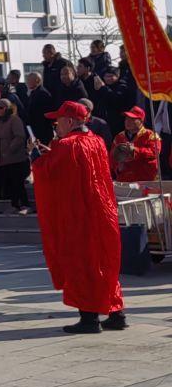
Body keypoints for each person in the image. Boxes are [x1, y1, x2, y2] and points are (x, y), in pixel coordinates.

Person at [31, 101, 126, 333]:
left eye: (59, 120)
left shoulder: (66, 146)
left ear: (70, 121)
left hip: (78, 215)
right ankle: (116, 313)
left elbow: (48, 173)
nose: (56, 124)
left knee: (81, 263)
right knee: (104, 262)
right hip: (102, 212)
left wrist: (35, 156)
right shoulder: (97, 141)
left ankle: (89, 319)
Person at [0, 100, 30, 215]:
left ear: (7, 109)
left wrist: (9, 150)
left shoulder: (14, 119)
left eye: (1, 108)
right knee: (10, 184)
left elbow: (20, 137)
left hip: (15, 158)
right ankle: (15, 205)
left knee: (18, 182)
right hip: (2, 159)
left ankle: (25, 204)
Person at [111, 106, 161, 181]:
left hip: (146, 179)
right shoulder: (119, 137)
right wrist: (118, 168)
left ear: (141, 121)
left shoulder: (151, 135)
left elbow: (155, 152)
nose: (127, 121)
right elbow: (112, 157)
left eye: (132, 119)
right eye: (127, 118)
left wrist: (135, 150)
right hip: (125, 179)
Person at [25, 73, 55, 146]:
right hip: (35, 130)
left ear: (37, 80)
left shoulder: (43, 94)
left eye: (29, 80)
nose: (27, 82)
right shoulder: (34, 93)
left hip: (42, 131)